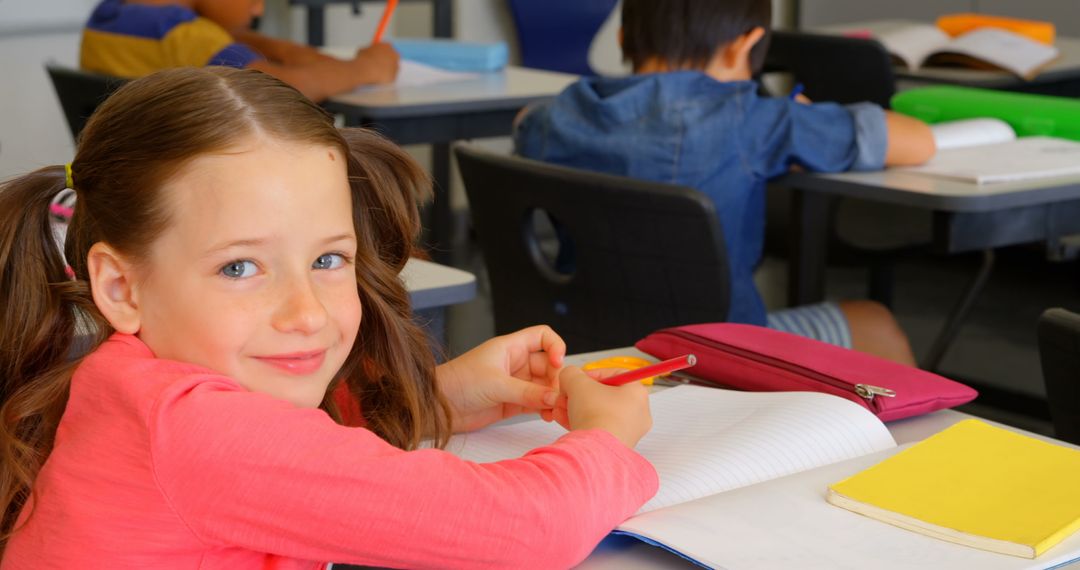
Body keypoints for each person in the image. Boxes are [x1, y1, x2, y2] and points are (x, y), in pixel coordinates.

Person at [0, 66, 656, 568]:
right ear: (122, 287)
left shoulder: (133, 384)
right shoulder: (197, 433)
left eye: (329, 259)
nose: (306, 312)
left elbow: (287, 455)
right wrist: (605, 437)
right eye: (239, 268)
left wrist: (442, 396)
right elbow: (529, 530)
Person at [514, 0, 937, 366]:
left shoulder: (557, 118)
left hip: (581, 345)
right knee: (876, 326)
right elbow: (917, 142)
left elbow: (523, 122)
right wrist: (803, 118)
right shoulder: (751, 120)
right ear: (745, 46)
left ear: (623, 38)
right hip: (716, 352)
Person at [80, 0, 398, 101]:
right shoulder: (185, 34)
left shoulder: (106, 16)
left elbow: (225, 39)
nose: (258, 10)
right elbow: (279, 88)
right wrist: (365, 68)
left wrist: (279, 48)